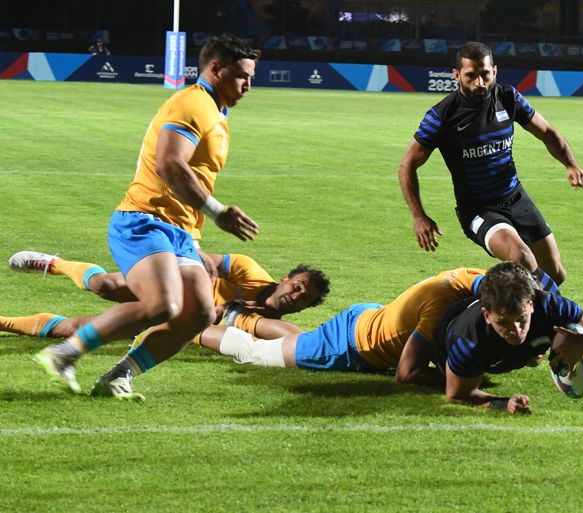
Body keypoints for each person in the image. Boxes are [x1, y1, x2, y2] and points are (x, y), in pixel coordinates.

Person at [33, 34, 261, 401]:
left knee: (200, 313)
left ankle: (118, 376)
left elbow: (194, 177)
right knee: (162, 305)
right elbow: (170, 164)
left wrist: (194, 241)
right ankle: (64, 353)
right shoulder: (193, 103)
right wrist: (218, 212)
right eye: (241, 76)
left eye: (251, 77)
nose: (248, 85)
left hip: (179, 232)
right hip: (144, 220)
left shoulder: (217, 112)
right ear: (216, 68)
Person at [397, 41, 583, 285]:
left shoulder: (508, 98)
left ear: (495, 71)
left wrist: (571, 165)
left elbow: (547, 132)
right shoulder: (442, 116)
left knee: (555, 275)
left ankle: (507, 301)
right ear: (457, 75)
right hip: (478, 209)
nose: (479, 83)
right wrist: (418, 216)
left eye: (485, 74)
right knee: (522, 258)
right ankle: (500, 302)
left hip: (516, 197)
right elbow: (407, 165)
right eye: (471, 75)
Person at [193, 267, 487, 386]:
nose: (296, 295)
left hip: (375, 317)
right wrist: (460, 378)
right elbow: (406, 375)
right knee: (255, 353)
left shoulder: (470, 277)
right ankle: (190, 330)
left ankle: (237, 319)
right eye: (296, 287)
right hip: (351, 342)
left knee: (296, 337)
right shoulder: (438, 307)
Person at [424, 261, 583, 414]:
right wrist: (503, 403)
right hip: (443, 328)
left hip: (521, 334)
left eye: (521, 319)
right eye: (503, 322)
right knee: (411, 373)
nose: (515, 330)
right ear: (487, 316)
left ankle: (534, 350)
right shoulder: (468, 341)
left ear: (531, 305)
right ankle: (533, 350)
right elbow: (457, 394)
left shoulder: (549, 305)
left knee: (571, 332)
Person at [4, 250, 330, 340]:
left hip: (172, 318)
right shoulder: (249, 270)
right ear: (285, 279)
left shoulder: (264, 326)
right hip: (169, 283)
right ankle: (55, 264)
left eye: (305, 298)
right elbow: (196, 255)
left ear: (304, 308)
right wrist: (202, 272)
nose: (296, 295)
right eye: (297, 285)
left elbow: (296, 338)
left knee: (76, 329)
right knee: (103, 285)